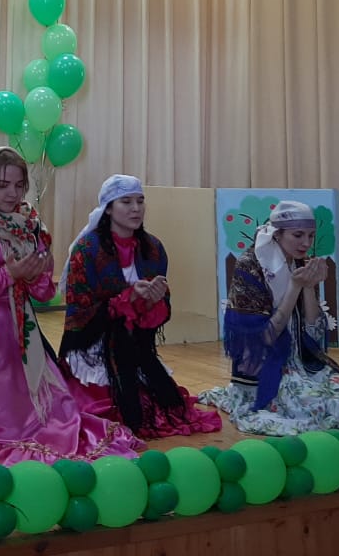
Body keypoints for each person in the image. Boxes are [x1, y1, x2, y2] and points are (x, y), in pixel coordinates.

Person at [0, 147, 142, 465]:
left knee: (58, 414)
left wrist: (35, 275)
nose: (13, 193)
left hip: (23, 339)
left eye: (19, 185)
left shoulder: (27, 223)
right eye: (3, 185)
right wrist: (8, 274)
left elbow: (45, 292)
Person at [200, 200, 339, 435]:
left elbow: (314, 332)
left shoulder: (300, 261)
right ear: (277, 233)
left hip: (304, 366)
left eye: (310, 235)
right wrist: (294, 287)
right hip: (267, 370)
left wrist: (308, 286)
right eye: (298, 235)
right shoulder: (250, 266)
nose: (306, 243)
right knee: (323, 411)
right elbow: (262, 339)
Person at [59, 175, 222, 439]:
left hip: (136, 342)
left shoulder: (153, 248)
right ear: (108, 208)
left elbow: (161, 305)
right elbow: (80, 308)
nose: (136, 208)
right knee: (106, 411)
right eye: (126, 202)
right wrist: (126, 299)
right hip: (95, 343)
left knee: (165, 406)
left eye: (140, 201)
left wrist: (152, 301)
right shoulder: (87, 249)